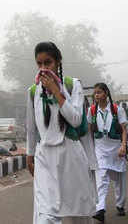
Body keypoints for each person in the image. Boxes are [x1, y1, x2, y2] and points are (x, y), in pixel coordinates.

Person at [26, 42, 96, 224]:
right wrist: (30, 154)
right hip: (44, 158)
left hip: (70, 156)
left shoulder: (73, 85)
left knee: (78, 214)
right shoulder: (33, 91)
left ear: (58, 62)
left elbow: (76, 120)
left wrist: (57, 92)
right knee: (45, 215)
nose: (43, 69)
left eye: (47, 63)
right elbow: (31, 128)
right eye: (39, 64)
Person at [88, 83, 127, 222]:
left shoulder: (117, 109)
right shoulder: (91, 110)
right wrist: (90, 150)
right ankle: (101, 209)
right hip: (100, 149)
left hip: (116, 149)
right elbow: (89, 131)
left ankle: (120, 204)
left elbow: (123, 129)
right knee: (102, 178)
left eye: (99, 92)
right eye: (95, 93)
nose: (96, 95)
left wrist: (123, 146)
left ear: (106, 93)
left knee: (119, 180)